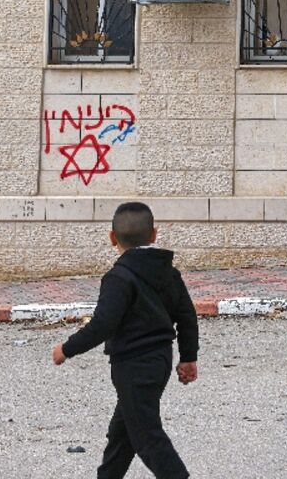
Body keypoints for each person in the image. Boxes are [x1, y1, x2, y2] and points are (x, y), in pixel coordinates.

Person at [53, 202, 200, 478]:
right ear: (154, 235)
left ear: (112, 238)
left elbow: (103, 325)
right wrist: (188, 357)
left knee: (147, 437)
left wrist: (67, 349)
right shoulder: (169, 272)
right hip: (159, 363)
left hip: (133, 366)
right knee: (123, 433)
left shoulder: (118, 278)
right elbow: (187, 317)